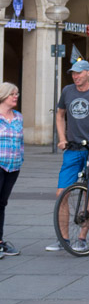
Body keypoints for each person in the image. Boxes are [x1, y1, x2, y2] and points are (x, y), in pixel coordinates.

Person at [47, 59, 89, 252]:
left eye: (79, 73)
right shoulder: (67, 91)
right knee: (61, 193)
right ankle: (63, 239)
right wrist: (62, 137)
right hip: (73, 149)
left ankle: (82, 238)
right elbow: (60, 114)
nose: (75, 76)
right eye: (73, 73)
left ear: (88, 73)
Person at [0, 83, 24, 259]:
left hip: (13, 167)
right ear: (3, 96)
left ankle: (0, 242)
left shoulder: (18, 117)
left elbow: (20, 142)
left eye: (17, 94)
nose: (16, 96)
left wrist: (20, 159)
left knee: (2, 204)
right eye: (12, 94)